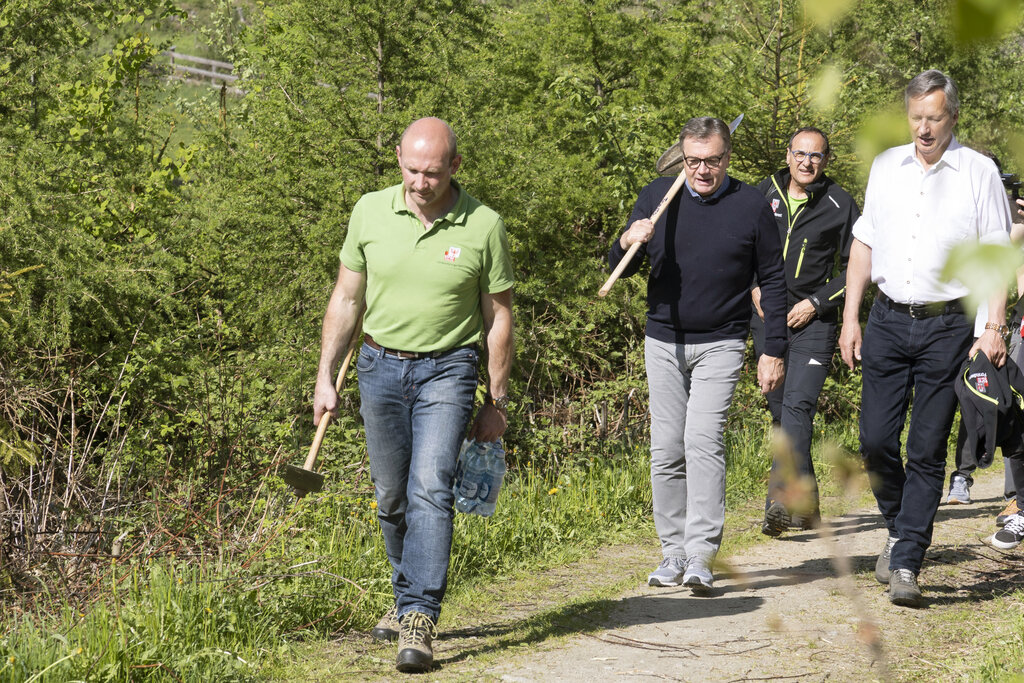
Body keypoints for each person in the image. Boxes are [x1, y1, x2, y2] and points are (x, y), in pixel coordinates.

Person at [313, 117, 514, 673]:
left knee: (430, 487)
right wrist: (325, 375)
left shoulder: (484, 224)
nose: (420, 183)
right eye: (410, 170)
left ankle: (421, 616)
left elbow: (497, 317)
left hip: (447, 371)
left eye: (431, 172)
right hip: (377, 367)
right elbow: (347, 300)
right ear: (398, 159)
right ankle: (405, 598)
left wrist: (494, 401)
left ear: (455, 166)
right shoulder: (370, 210)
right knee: (391, 495)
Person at [839, 70, 1012, 608]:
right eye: (916, 117)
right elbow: (864, 243)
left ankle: (908, 559)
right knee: (874, 440)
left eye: (934, 118)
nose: (924, 128)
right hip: (888, 320)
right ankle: (900, 525)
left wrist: (993, 326)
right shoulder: (886, 166)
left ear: (952, 116)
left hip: (948, 327)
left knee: (927, 447)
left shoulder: (978, 172)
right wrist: (851, 317)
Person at [610, 116, 787, 593]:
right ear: (682, 158)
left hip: (722, 341)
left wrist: (774, 349)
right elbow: (618, 265)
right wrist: (629, 239)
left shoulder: (751, 205)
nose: (702, 171)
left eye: (711, 161)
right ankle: (672, 553)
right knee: (666, 448)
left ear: (727, 157)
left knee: (702, 442)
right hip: (662, 339)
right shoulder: (657, 197)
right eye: (693, 162)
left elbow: (773, 280)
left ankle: (701, 555)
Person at [750, 127, 860, 536]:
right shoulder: (764, 193)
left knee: (797, 407)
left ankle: (782, 498)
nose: (807, 162)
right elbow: (740, 246)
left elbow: (859, 266)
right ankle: (808, 503)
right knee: (781, 411)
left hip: (815, 322)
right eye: (800, 154)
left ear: (825, 160)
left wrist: (817, 302)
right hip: (767, 317)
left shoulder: (840, 202)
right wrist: (753, 287)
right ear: (788, 154)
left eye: (816, 156)